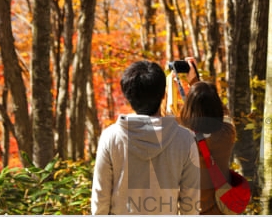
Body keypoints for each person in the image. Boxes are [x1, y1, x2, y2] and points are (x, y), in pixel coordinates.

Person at [91, 60, 200, 215]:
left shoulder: (111, 138)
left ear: (128, 96)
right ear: (164, 94)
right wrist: (195, 82)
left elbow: (100, 201)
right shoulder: (185, 139)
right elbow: (191, 205)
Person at [179, 79, 236, 214]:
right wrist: (196, 82)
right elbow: (225, 114)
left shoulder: (181, 139)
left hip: (191, 210)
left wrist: (194, 92)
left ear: (189, 108)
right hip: (220, 208)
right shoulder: (227, 133)